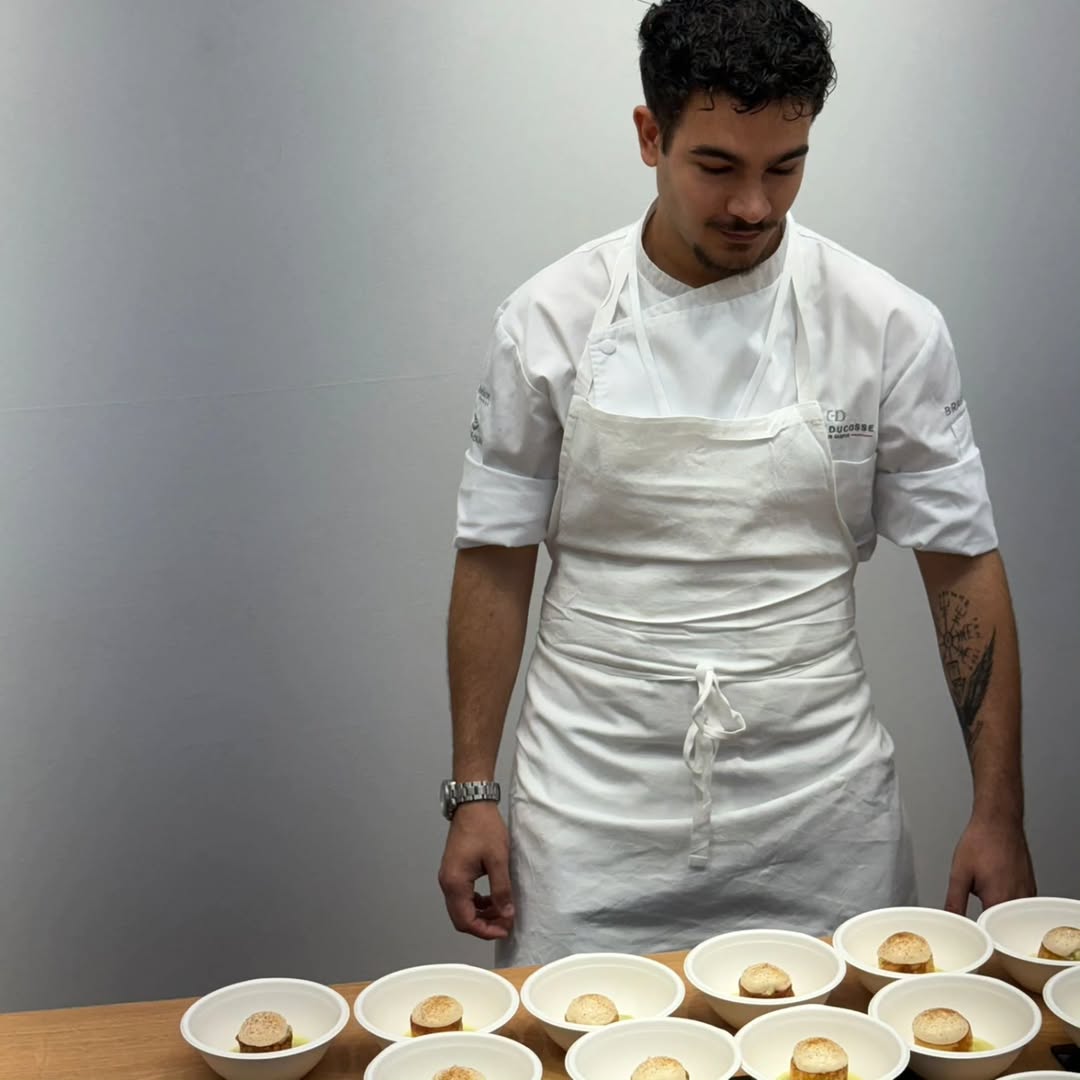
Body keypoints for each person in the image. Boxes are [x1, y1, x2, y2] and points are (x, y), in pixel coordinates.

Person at [438, 0, 1035, 967]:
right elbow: (494, 558)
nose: (754, 206)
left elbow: (962, 563)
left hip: (821, 819)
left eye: (785, 166)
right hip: (590, 820)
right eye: (717, 166)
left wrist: (999, 812)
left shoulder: (885, 325)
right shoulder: (547, 321)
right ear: (651, 136)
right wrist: (473, 791)